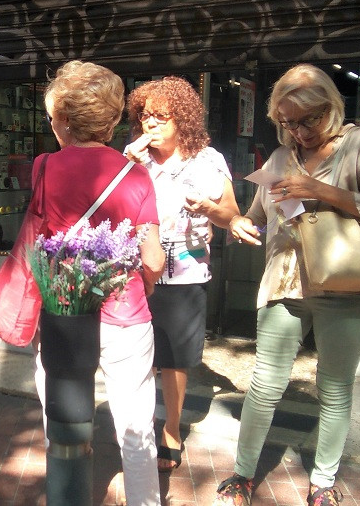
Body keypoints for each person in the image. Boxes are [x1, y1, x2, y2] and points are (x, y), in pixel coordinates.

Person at [217, 64, 360, 506]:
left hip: (349, 287)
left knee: (334, 388)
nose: (298, 131)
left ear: (330, 107)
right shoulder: (279, 159)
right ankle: (242, 474)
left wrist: (320, 189)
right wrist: (238, 222)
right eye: (288, 122)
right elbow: (255, 216)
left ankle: (322, 482)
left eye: (308, 119)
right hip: (284, 284)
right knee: (264, 385)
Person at [34, 60, 166, 506]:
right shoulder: (137, 174)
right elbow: (152, 257)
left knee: (63, 422)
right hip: (125, 316)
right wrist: (148, 277)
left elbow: (37, 242)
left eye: (53, 116)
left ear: (65, 120)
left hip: (64, 313)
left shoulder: (45, 168)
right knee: (135, 427)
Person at [124, 77, 239, 473]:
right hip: (135, 270)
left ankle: (171, 429)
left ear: (183, 119)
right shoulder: (131, 159)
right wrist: (125, 167)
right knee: (136, 354)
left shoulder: (208, 160)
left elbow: (231, 216)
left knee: (174, 358)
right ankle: (139, 427)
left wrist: (209, 208)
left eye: (160, 117)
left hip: (185, 273)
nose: (149, 125)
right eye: (144, 116)